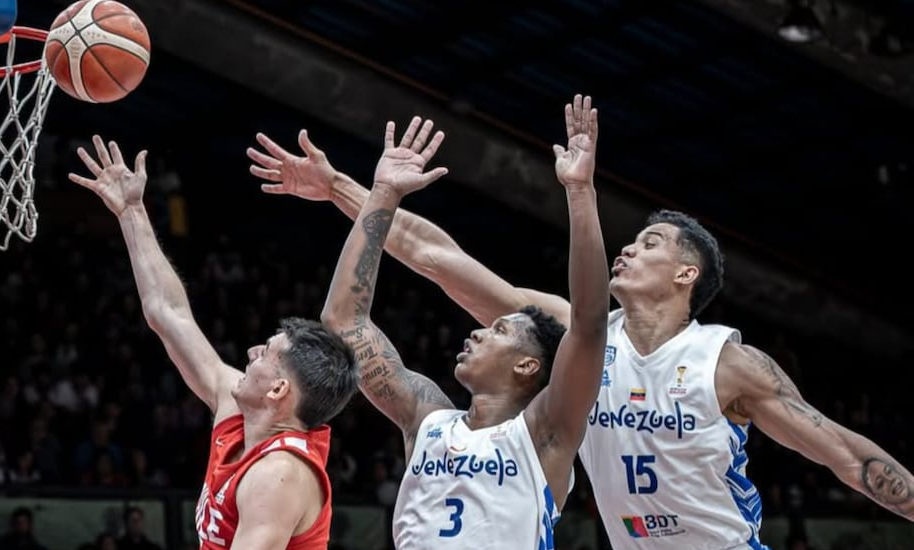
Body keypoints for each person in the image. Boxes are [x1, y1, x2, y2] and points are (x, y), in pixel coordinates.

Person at [249, 96, 914, 548]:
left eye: (652, 245)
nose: (630, 247)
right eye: (631, 241)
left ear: (688, 276)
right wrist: (341, 187)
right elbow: (435, 256)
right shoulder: (568, 338)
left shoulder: (726, 362)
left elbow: (846, 456)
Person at [317, 100, 608, 549]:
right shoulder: (426, 418)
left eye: (499, 331)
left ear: (529, 366)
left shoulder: (544, 431)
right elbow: (343, 320)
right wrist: (384, 195)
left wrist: (579, 191)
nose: (476, 331)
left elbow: (588, 325)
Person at [68, 136, 360, 550]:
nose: (249, 355)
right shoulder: (238, 414)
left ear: (279, 390)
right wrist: (131, 212)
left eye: (265, 352)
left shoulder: (280, 474)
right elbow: (168, 315)